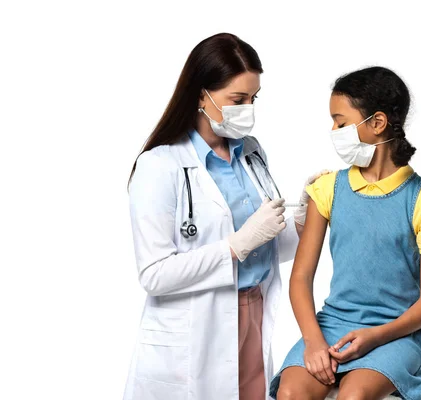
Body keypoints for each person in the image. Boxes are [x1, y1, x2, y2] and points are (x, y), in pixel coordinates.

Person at [123, 33, 325, 400]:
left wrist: (303, 217)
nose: (247, 108)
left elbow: (265, 245)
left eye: (253, 99)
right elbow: (154, 275)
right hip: (196, 326)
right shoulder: (159, 166)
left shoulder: (250, 152)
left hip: (253, 312)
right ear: (201, 94)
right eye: (237, 99)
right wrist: (235, 246)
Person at [271, 67, 421, 400]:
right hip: (333, 325)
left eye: (340, 122)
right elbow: (300, 278)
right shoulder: (326, 189)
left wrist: (376, 336)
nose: (333, 131)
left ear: (377, 123)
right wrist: (313, 342)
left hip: (398, 331)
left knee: (354, 396)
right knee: (291, 393)